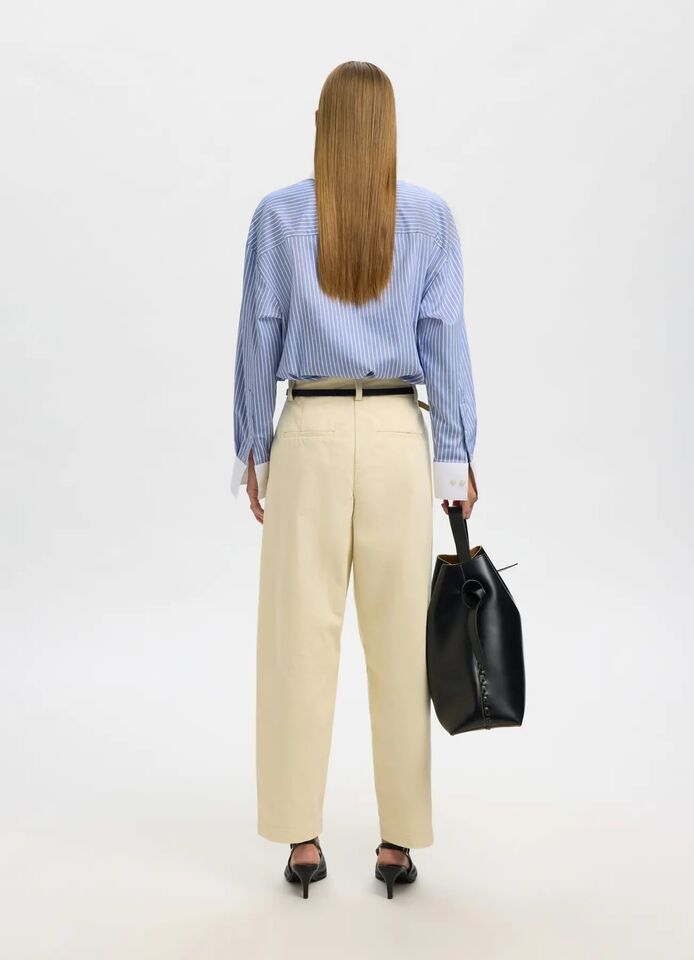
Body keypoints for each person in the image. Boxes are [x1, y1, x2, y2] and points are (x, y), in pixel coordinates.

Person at [231, 61, 478, 899]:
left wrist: (253, 448)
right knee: (403, 643)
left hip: (310, 429)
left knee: (298, 642)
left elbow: (258, 336)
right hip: (400, 435)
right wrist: (454, 456)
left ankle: (301, 839)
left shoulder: (279, 216)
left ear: (321, 124)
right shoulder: (430, 218)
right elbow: (445, 340)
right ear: (390, 128)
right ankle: (398, 841)